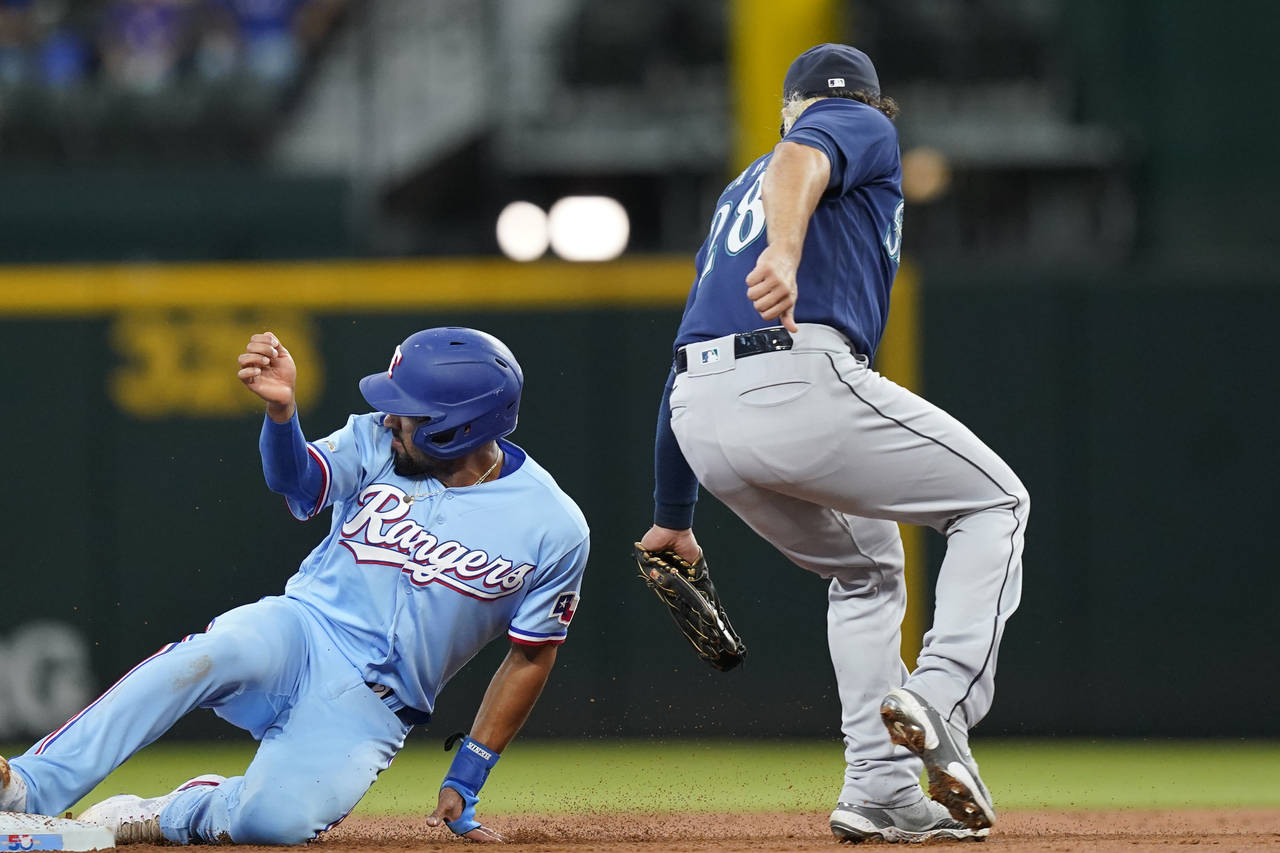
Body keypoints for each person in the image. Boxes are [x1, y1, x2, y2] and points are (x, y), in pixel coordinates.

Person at [636, 44, 1029, 843]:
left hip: (698, 412)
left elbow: (684, 348)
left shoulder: (735, 193)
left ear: (788, 101)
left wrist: (671, 513)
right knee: (996, 502)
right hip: (794, 376)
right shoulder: (852, 124)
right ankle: (945, 691)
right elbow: (803, 152)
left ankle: (879, 787)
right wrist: (786, 251)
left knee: (867, 569)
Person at [0, 327, 589, 845]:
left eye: (408, 411)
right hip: (301, 629)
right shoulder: (375, 441)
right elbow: (298, 481)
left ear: (456, 429)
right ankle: (28, 788)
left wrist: (470, 770)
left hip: (374, 705)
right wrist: (282, 416)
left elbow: (530, 655)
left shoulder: (553, 528)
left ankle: (180, 810)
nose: (390, 417)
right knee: (210, 654)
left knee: (272, 824)